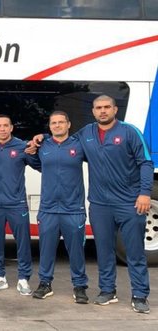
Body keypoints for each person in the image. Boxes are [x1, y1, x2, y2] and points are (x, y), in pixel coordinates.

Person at [77, 95, 152, 313]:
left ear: (115, 109)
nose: (102, 111)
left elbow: (146, 162)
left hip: (129, 203)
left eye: (106, 107)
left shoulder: (130, 132)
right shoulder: (86, 133)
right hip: (100, 205)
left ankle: (140, 295)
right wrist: (41, 139)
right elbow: (63, 143)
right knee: (104, 250)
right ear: (93, 111)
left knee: (134, 251)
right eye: (98, 108)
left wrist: (145, 193)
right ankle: (107, 291)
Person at [29, 111, 89, 302]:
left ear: (68, 124)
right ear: (49, 126)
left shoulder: (79, 145)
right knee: (46, 250)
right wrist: (41, 138)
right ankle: (45, 284)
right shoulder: (42, 145)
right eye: (53, 123)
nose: (57, 125)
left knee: (76, 251)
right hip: (48, 209)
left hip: (73, 209)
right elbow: (33, 161)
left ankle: (80, 286)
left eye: (61, 122)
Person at [0, 115, 39, 296]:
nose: (2, 129)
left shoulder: (22, 146)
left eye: (6, 125)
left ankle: (24, 279)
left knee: (23, 243)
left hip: (17, 204)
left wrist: (35, 150)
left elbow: (39, 165)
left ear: (12, 127)